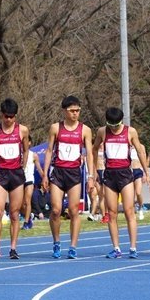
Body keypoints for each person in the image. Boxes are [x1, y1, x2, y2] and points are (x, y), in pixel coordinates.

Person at [41, 95, 96, 259]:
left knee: (73, 211)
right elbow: (49, 151)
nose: (75, 114)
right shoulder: (55, 128)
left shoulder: (85, 130)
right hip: (58, 172)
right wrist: (45, 174)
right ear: (64, 111)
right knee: (56, 210)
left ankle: (73, 246)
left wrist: (91, 176)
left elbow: (90, 154)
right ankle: (56, 242)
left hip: (74, 174)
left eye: (78, 110)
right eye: (72, 111)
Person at [92, 107, 149, 258]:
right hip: (109, 175)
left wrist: (146, 171)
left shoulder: (130, 132)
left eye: (116, 125)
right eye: (111, 125)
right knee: (111, 213)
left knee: (129, 210)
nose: (114, 128)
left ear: (121, 122)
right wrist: (93, 172)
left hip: (125, 174)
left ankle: (133, 247)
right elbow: (94, 149)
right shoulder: (102, 131)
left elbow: (141, 151)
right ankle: (116, 248)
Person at [0, 99, 30, 259]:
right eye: (6, 116)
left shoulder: (22, 130)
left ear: (15, 116)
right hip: (1, 174)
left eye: (12, 117)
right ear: (1, 115)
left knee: (14, 213)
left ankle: (13, 248)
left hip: (16, 174)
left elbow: (26, 150)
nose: (9, 120)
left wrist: (23, 166)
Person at [21, 147, 44, 229]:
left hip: (29, 180)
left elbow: (39, 169)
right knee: (21, 205)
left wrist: (44, 178)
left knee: (27, 201)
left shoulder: (33, 155)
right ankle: (29, 217)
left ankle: (26, 222)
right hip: (20, 180)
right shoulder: (18, 154)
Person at [130, 147, 147, 220]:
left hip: (138, 170)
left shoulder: (141, 146)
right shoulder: (127, 145)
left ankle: (140, 208)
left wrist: (145, 173)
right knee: (131, 195)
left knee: (138, 192)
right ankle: (132, 212)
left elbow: (144, 159)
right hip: (129, 171)